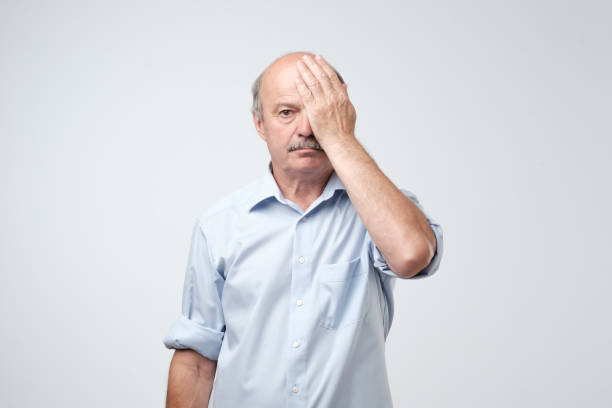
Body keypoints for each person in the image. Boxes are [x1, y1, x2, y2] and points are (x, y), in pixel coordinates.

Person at [163, 51, 444, 408]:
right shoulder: (219, 225)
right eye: (286, 112)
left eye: (319, 111)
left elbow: (412, 256)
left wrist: (341, 137)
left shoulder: (379, 209)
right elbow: (197, 361)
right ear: (259, 123)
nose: (307, 128)